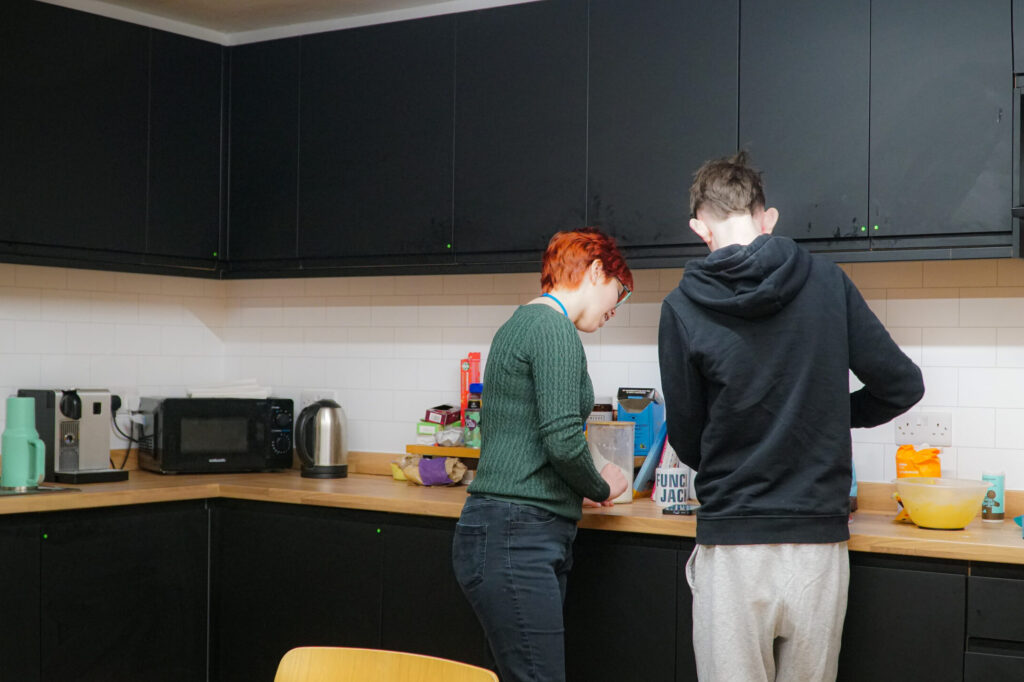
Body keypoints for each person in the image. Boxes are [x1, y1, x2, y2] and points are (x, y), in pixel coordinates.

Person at [658, 152, 924, 681]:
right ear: (767, 217)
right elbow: (902, 385)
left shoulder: (681, 308)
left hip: (733, 547)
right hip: (817, 547)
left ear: (699, 228)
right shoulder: (828, 283)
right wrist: (825, 412)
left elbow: (688, 440)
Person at [452, 227, 632, 682]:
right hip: (519, 536)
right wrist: (600, 485)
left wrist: (582, 479)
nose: (616, 306)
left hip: (504, 532)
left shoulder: (520, 323)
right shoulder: (554, 329)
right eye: (619, 290)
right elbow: (561, 439)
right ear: (595, 271)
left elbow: (535, 435)